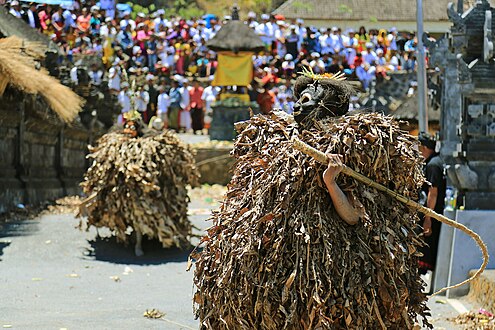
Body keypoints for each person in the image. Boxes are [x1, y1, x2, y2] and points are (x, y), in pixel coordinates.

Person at [417, 132, 446, 276]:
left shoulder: (433, 166)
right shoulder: (434, 162)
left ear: (423, 147)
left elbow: (432, 193)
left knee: (424, 249)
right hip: (432, 213)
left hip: (432, 215)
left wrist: (427, 219)